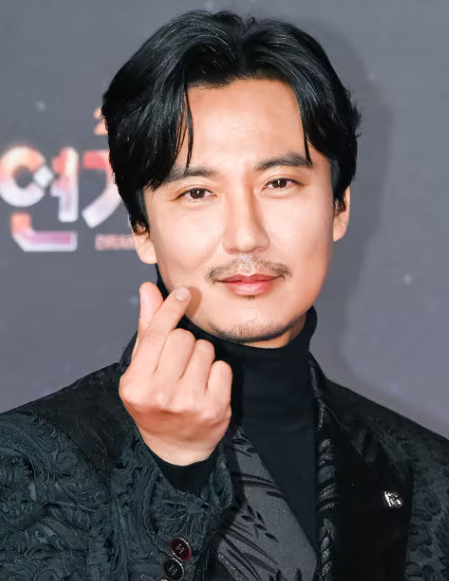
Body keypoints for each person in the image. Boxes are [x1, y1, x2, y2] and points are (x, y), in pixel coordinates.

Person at [0, 9, 448, 581]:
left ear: (339, 206)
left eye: (279, 183)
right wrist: (172, 472)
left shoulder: (430, 474)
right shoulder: (27, 465)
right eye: (197, 192)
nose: (245, 236)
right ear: (141, 228)